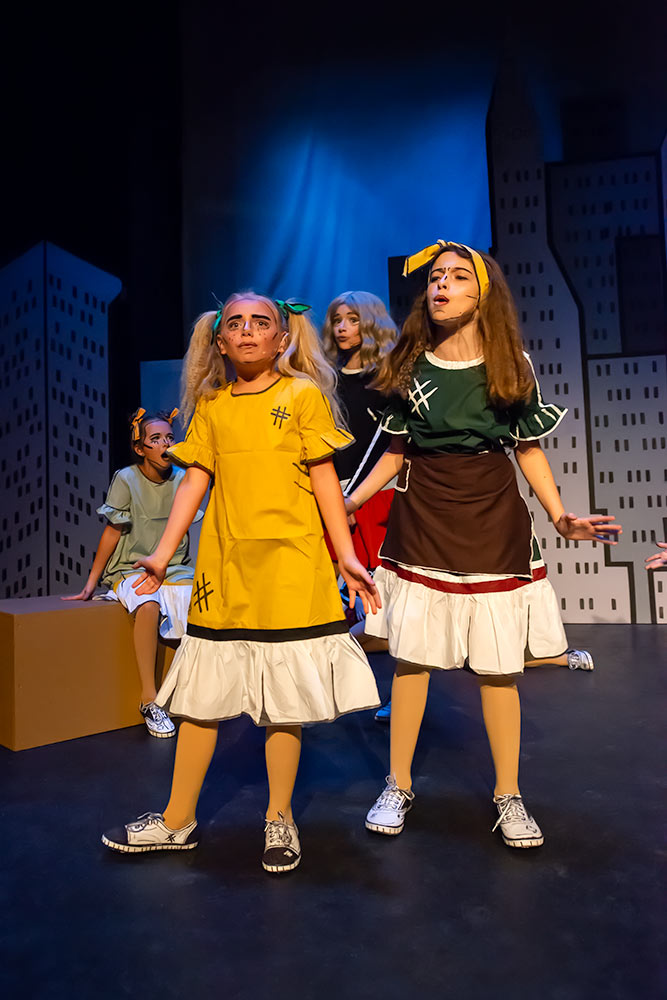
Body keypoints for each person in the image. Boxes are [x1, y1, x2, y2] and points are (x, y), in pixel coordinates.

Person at [345, 240, 621, 848]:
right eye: (435, 277)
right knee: (412, 659)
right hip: (424, 519)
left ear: (481, 294)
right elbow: (396, 451)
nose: (440, 286)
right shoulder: (409, 364)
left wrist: (560, 516)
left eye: (456, 277)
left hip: (493, 520)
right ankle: (398, 782)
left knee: (498, 668)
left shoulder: (508, 362)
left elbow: (528, 449)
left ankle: (508, 795)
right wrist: (351, 503)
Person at [101, 293, 380, 872]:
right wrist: (159, 554)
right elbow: (193, 483)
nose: (248, 331)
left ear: (282, 338)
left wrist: (346, 554)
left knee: (284, 703)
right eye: (236, 324)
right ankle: (177, 819)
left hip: (291, 567)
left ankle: (279, 818)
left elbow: (325, 479)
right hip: (225, 571)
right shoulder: (212, 407)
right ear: (220, 341)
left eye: (262, 322)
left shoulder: (301, 395)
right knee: (201, 698)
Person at [63, 408, 198, 738]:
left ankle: (191, 693)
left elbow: (192, 532)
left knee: (199, 603)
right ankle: (149, 699)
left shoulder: (182, 479)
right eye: (156, 439)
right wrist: (91, 583)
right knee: (148, 604)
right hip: (130, 566)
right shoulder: (126, 479)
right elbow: (112, 531)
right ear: (140, 448)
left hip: (173, 567)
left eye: (169, 437)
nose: (165, 445)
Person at [321, 291, 398, 651]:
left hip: (375, 489)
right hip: (333, 487)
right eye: (337, 320)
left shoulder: (386, 379)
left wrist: (355, 498)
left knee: (382, 576)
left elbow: (392, 444)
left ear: (369, 324)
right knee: (338, 567)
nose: (342, 328)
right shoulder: (326, 379)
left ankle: (383, 641)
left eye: (352, 320)